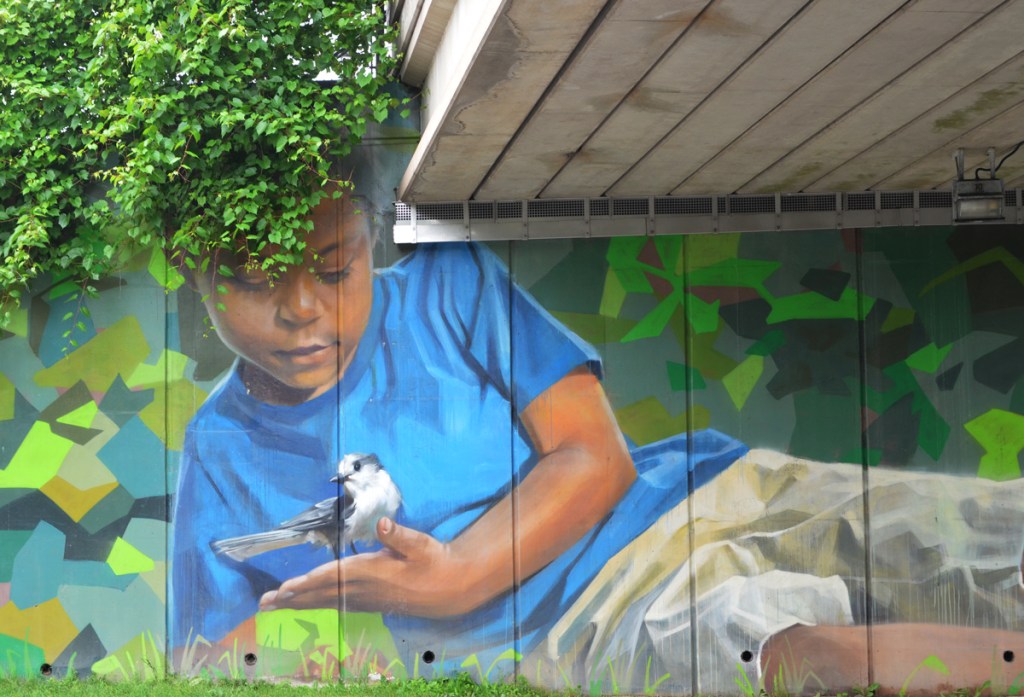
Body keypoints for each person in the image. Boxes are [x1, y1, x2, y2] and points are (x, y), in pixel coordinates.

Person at [169, 182, 747, 674]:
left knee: (748, 626)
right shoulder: (216, 447)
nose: (301, 306)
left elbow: (595, 453)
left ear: (371, 238)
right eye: (252, 278)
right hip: (552, 652)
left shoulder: (448, 284)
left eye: (334, 269)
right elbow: (203, 658)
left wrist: (453, 577)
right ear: (190, 271)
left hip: (676, 528)